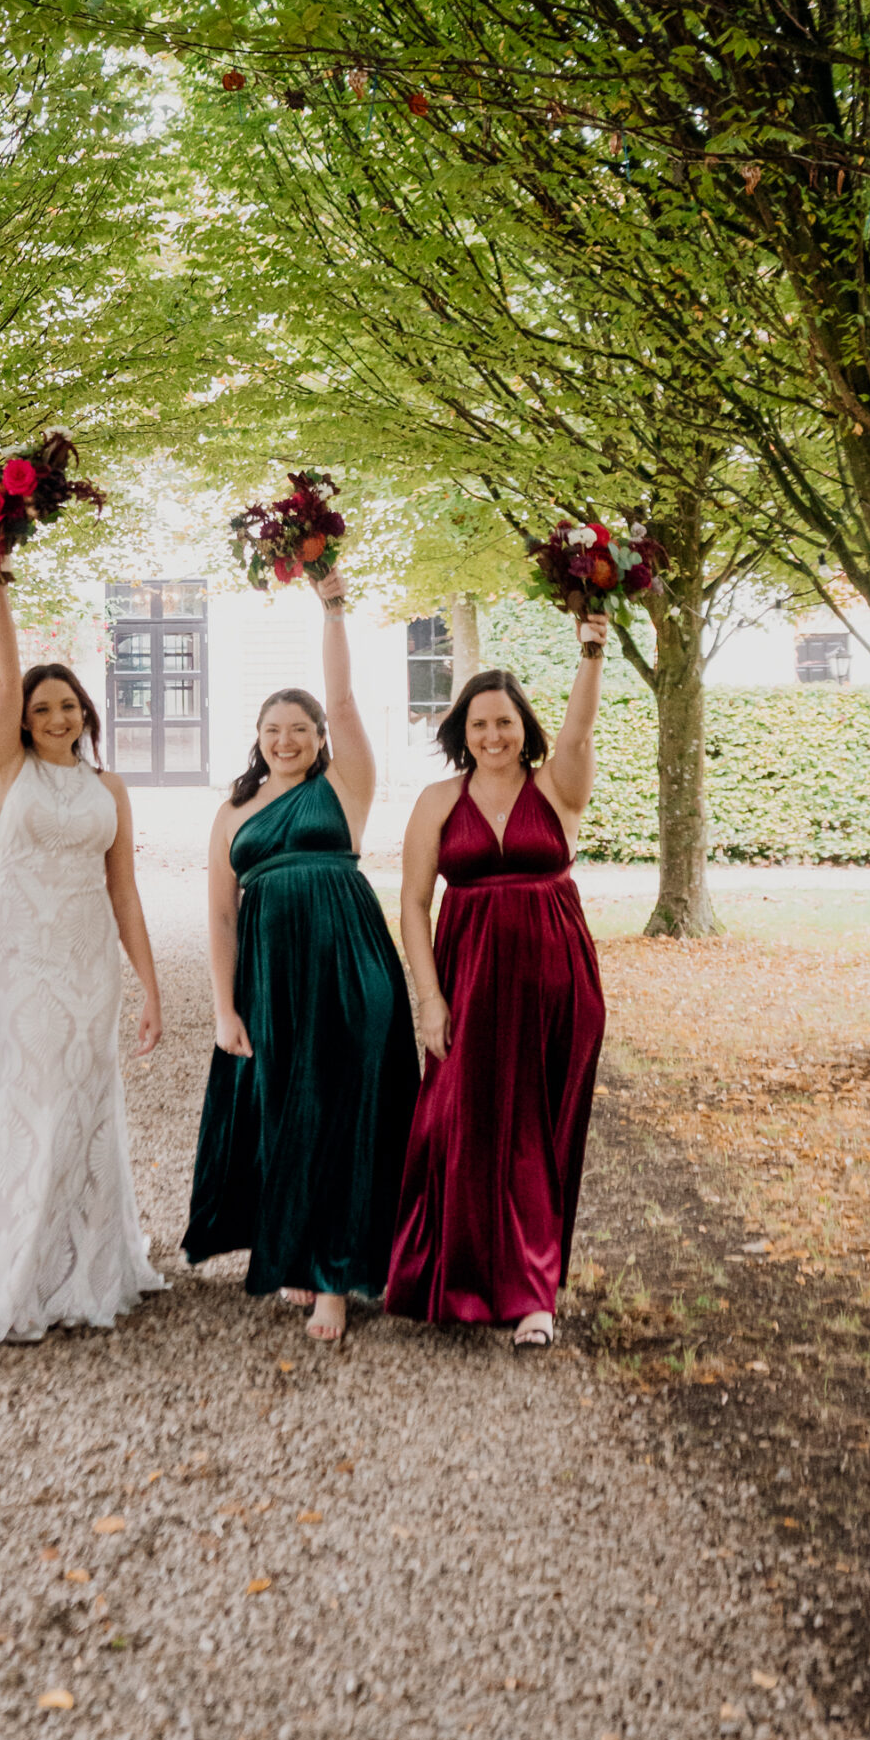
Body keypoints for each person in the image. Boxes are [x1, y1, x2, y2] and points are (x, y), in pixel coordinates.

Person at [0, 578, 164, 1343]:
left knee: (84, 1098)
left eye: (69, 705)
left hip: (88, 955)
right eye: (42, 707)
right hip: (19, 954)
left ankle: (79, 1263)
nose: (56, 716)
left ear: (86, 714)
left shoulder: (108, 786)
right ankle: (9, 1260)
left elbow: (125, 895)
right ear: (22, 718)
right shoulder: (5, 772)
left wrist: (148, 985)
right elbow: (3, 671)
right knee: (24, 1095)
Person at [182, 571, 420, 1344]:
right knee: (284, 1112)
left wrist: (333, 607)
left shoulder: (346, 788)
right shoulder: (231, 813)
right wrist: (224, 1007)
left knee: (344, 1111)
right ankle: (291, 1248)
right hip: (270, 980)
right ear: (256, 736)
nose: (285, 739)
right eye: (272, 729)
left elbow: (344, 698)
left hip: (350, 968)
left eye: (299, 728)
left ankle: (335, 1278)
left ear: (320, 738)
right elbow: (219, 916)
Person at [384, 620, 610, 1349]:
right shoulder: (436, 801)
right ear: (462, 730)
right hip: (467, 979)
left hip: (555, 981)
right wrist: (428, 998)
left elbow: (577, 733)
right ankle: (449, 1279)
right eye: (479, 723)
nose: (492, 735)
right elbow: (413, 904)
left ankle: (532, 1296)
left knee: (536, 1135)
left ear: (523, 727)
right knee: (455, 1124)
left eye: (504, 722)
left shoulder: (557, 786)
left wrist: (591, 651)